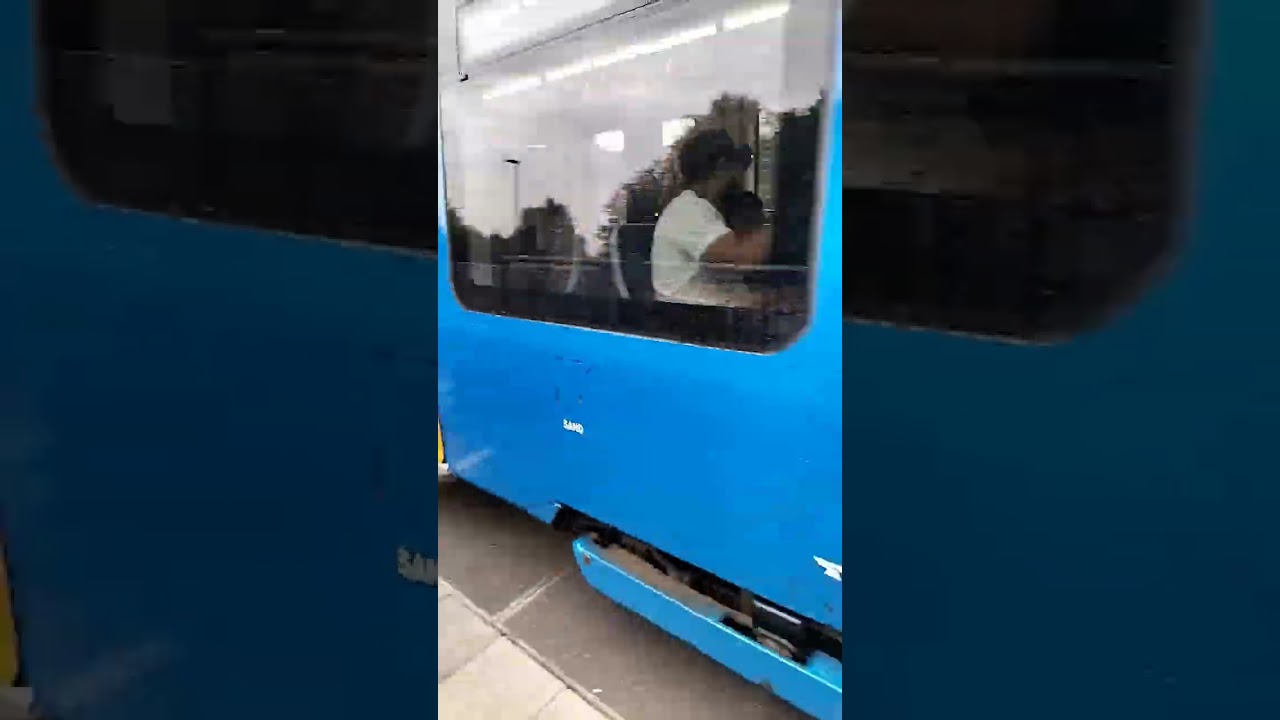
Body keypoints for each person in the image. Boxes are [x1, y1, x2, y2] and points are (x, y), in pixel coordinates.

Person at [651, 129, 773, 307]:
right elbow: (745, 257)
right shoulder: (687, 211)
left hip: (715, 313)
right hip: (692, 321)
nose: (741, 177)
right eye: (737, 169)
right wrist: (790, 222)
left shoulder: (704, 209)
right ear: (722, 167)